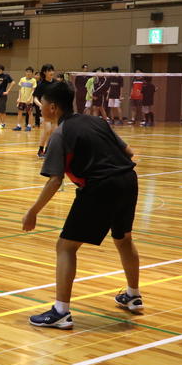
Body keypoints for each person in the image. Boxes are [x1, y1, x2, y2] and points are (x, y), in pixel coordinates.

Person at [22, 80, 141, 329]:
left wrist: (32, 212)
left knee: (65, 247)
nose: (40, 108)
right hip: (128, 180)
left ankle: (60, 312)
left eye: (42, 104)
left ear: (52, 107)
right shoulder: (96, 121)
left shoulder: (60, 135)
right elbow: (129, 152)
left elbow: (55, 181)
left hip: (100, 187)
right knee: (123, 239)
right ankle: (132, 295)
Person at [33, 64, 56, 158]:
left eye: (52, 70)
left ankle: (48, 150)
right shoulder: (41, 85)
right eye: (49, 70)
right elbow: (35, 98)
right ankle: (40, 150)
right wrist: (41, 106)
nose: (51, 72)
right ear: (44, 72)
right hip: (45, 110)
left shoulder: (56, 83)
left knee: (53, 132)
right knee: (47, 130)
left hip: (55, 110)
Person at [13, 66, 36, 131]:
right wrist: (18, 98)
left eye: (30, 72)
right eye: (27, 72)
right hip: (21, 100)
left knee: (30, 113)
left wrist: (30, 98)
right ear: (25, 72)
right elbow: (20, 89)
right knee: (20, 112)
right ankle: (18, 126)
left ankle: (29, 126)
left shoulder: (33, 80)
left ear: (32, 73)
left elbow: (33, 90)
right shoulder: (22, 79)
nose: (28, 73)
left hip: (29, 100)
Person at [0, 64, 15, 129]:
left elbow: (13, 82)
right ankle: (1, 123)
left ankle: (3, 123)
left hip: (3, 95)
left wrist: (8, 91)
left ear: (2, 70)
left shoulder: (6, 76)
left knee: (2, 110)